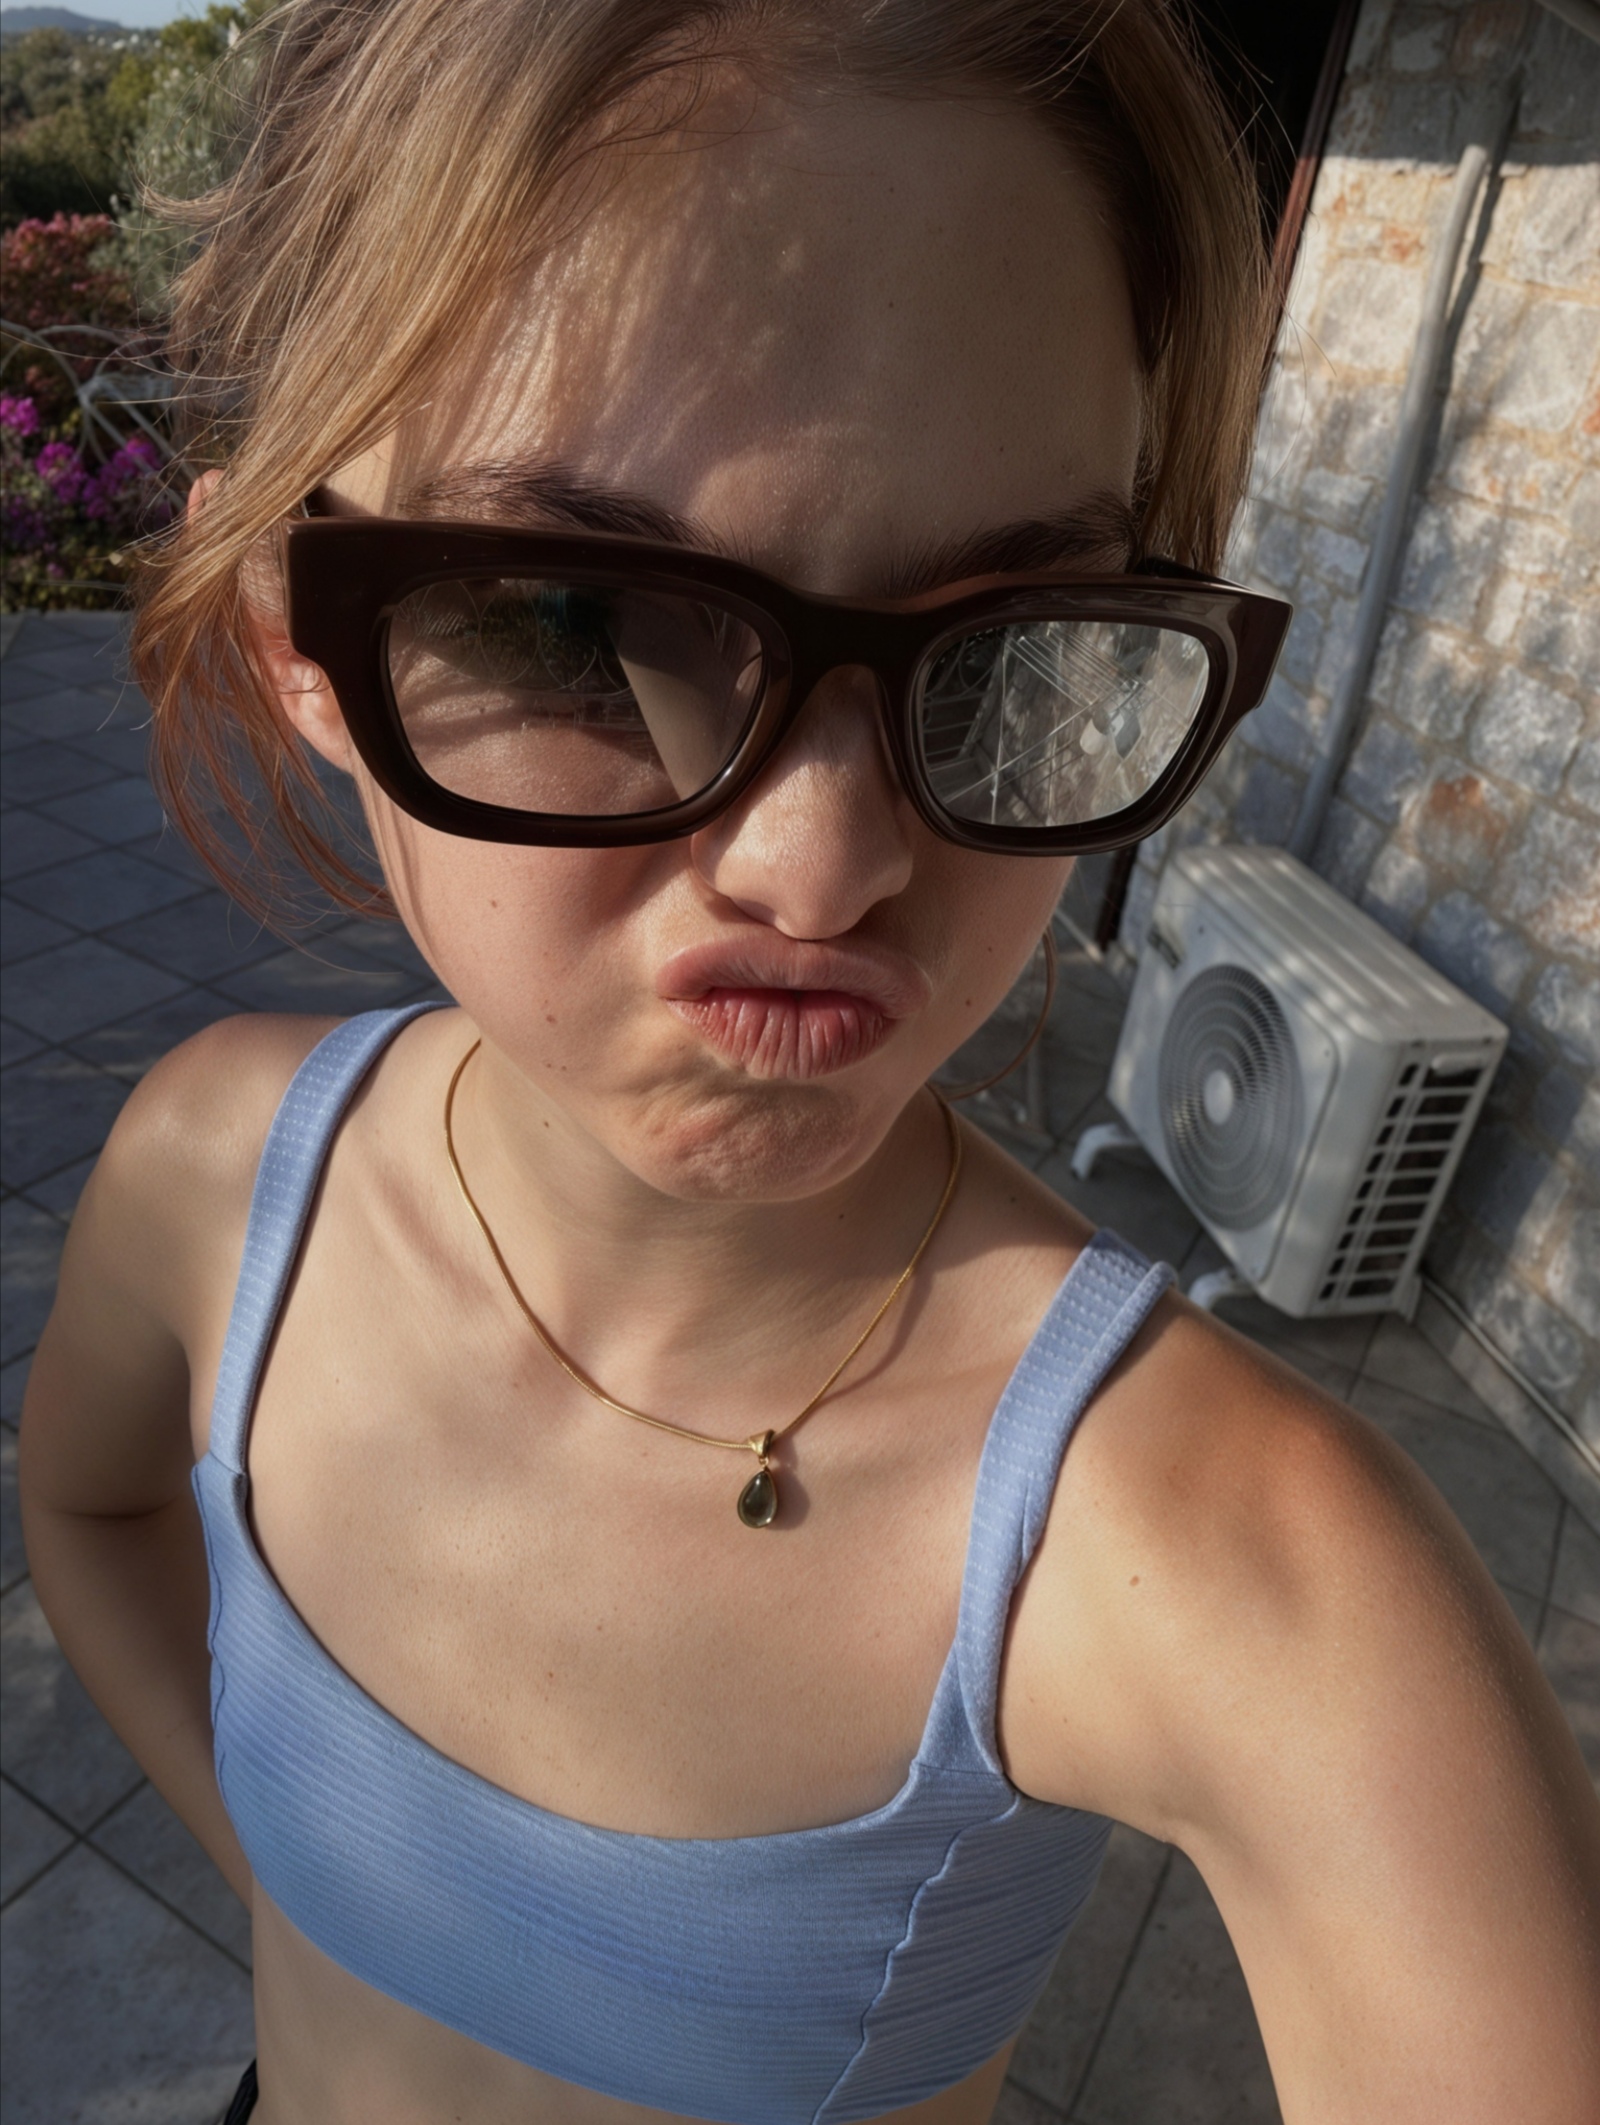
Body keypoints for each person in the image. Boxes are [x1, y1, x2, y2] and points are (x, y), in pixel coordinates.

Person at [19, 3, 1600, 2121]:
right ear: (297, 642)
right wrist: (328, 1899)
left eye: (1007, 647)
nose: (825, 860)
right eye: (574, 627)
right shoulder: (215, 1183)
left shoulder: (1236, 1564)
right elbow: (92, 1503)